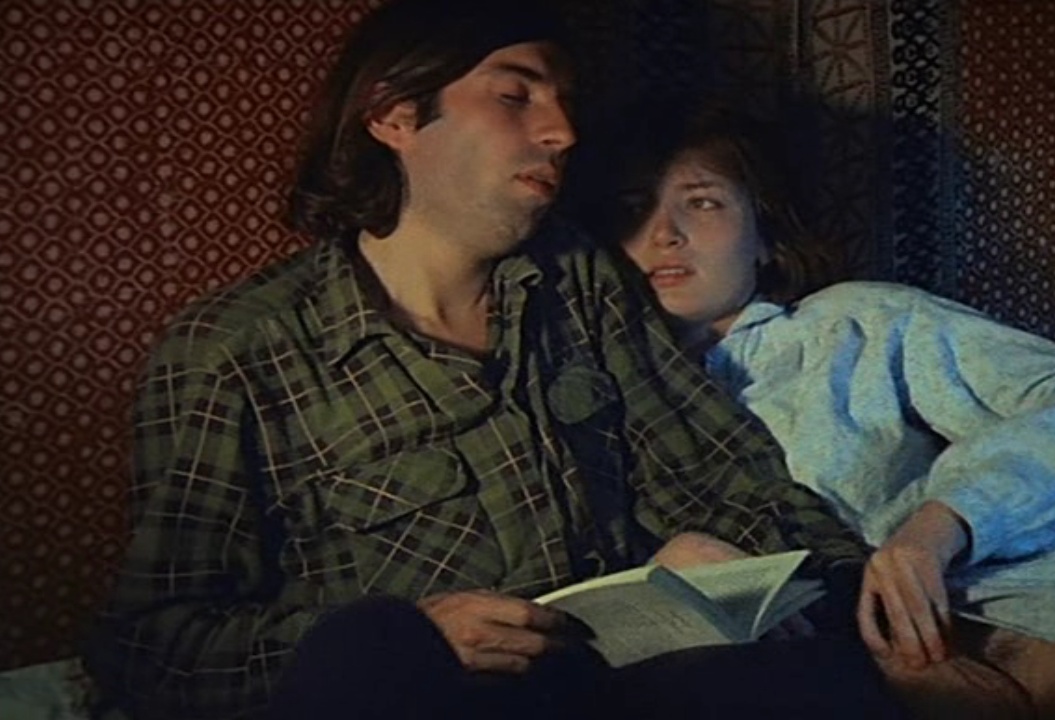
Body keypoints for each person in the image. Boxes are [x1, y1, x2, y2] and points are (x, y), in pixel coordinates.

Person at [83, 4, 906, 720]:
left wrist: (817, 584)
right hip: (423, 699)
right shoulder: (238, 350)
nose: (562, 132)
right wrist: (417, 637)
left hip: (611, 679)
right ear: (394, 115)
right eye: (516, 96)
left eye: (565, 102)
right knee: (376, 659)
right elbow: (154, 644)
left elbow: (722, 473)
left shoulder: (578, 280)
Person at [567, 96, 1055, 720]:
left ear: (766, 233)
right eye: (635, 207)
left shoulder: (854, 324)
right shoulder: (590, 393)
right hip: (823, 658)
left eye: (703, 202)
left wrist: (938, 528)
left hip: (1021, 601)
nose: (665, 233)